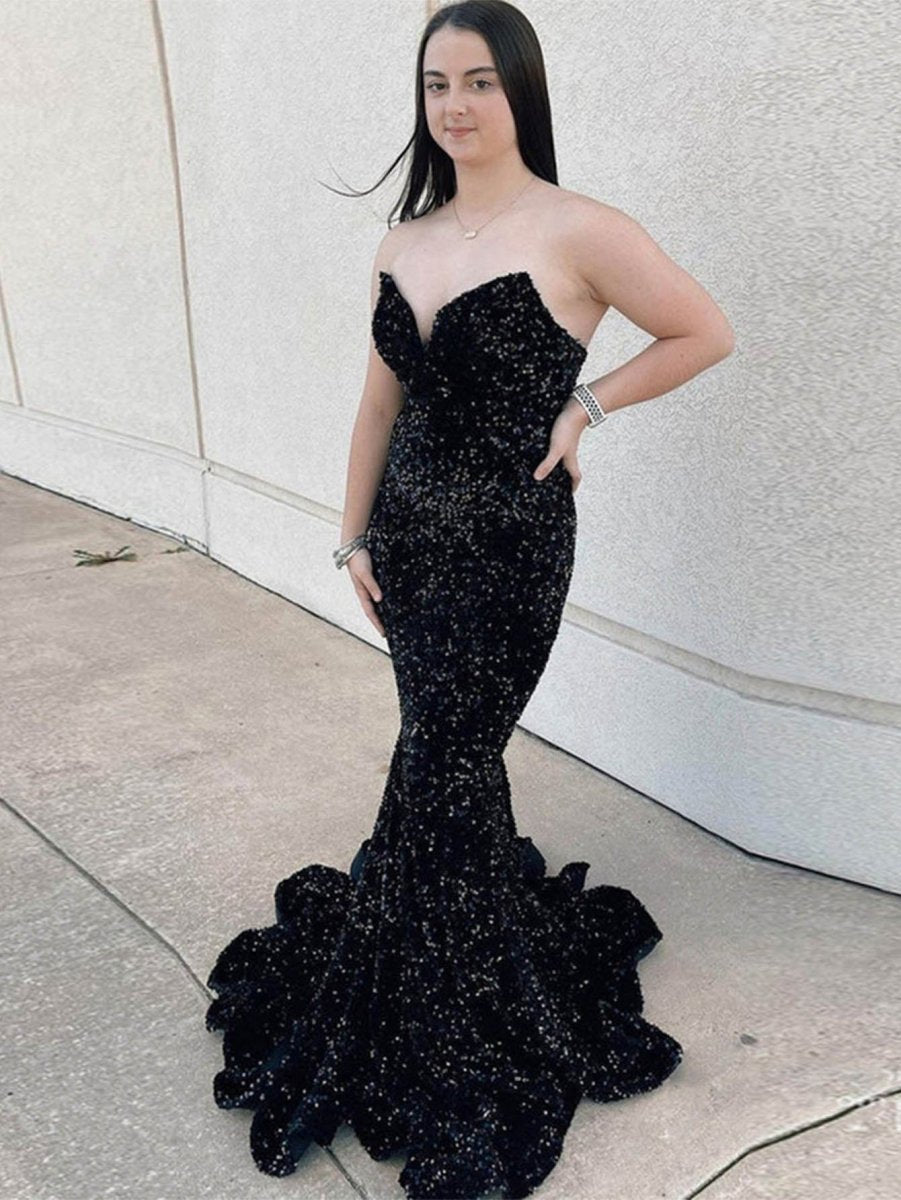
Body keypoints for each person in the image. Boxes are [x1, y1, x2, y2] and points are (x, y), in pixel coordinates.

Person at [205, 3, 734, 1198]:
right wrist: (351, 536)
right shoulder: (404, 241)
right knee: (443, 760)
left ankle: (438, 999)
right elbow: (377, 405)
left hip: (509, 548)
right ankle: (445, 946)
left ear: (519, 92)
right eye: (437, 82)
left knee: (442, 757)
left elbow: (703, 331)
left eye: (480, 82)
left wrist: (585, 406)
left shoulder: (582, 229)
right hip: (407, 542)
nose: (455, 104)